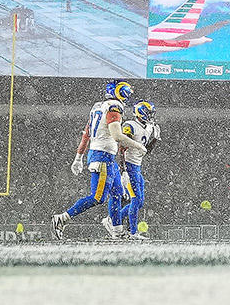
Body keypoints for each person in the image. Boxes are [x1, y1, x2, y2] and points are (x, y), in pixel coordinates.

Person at [53, 80, 146, 240]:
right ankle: (62, 218)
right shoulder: (114, 107)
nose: (127, 96)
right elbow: (117, 136)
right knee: (98, 198)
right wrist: (137, 145)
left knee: (118, 193)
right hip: (103, 156)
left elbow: (86, 133)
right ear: (119, 92)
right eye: (126, 93)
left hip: (104, 156)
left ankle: (117, 231)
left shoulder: (98, 106)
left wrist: (79, 157)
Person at [116, 101, 159, 240]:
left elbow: (146, 151)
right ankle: (132, 232)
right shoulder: (130, 126)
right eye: (149, 113)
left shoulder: (147, 128)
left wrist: (155, 140)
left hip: (137, 167)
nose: (151, 116)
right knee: (135, 200)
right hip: (129, 166)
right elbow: (121, 149)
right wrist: (123, 171)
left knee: (139, 201)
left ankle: (113, 220)